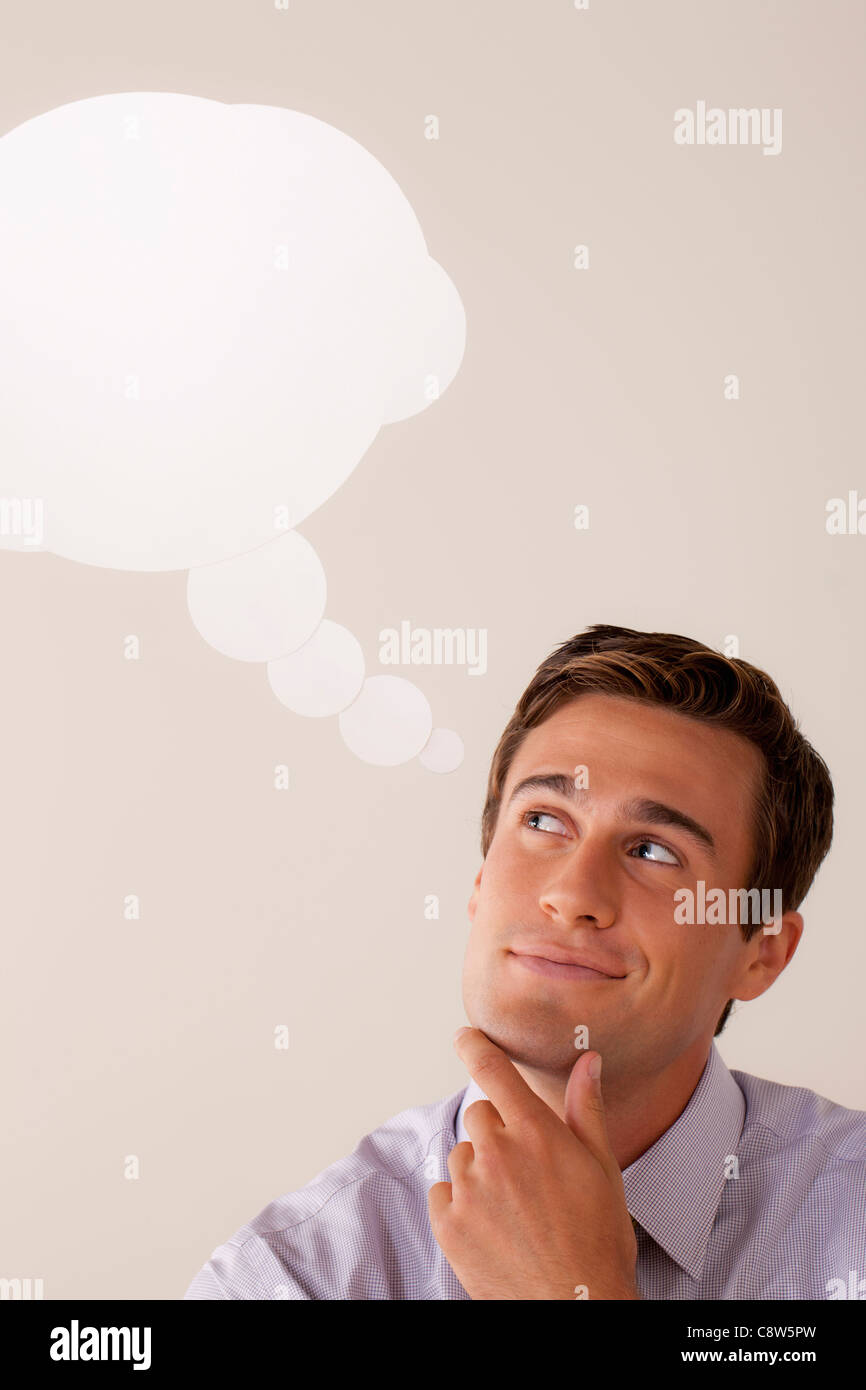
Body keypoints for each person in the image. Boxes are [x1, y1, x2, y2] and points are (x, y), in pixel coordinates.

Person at [184, 624, 865, 1300]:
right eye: (544, 821)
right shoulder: (289, 1278)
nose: (572, 895)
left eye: (654, 851)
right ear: (481, 883)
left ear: (763, 952)